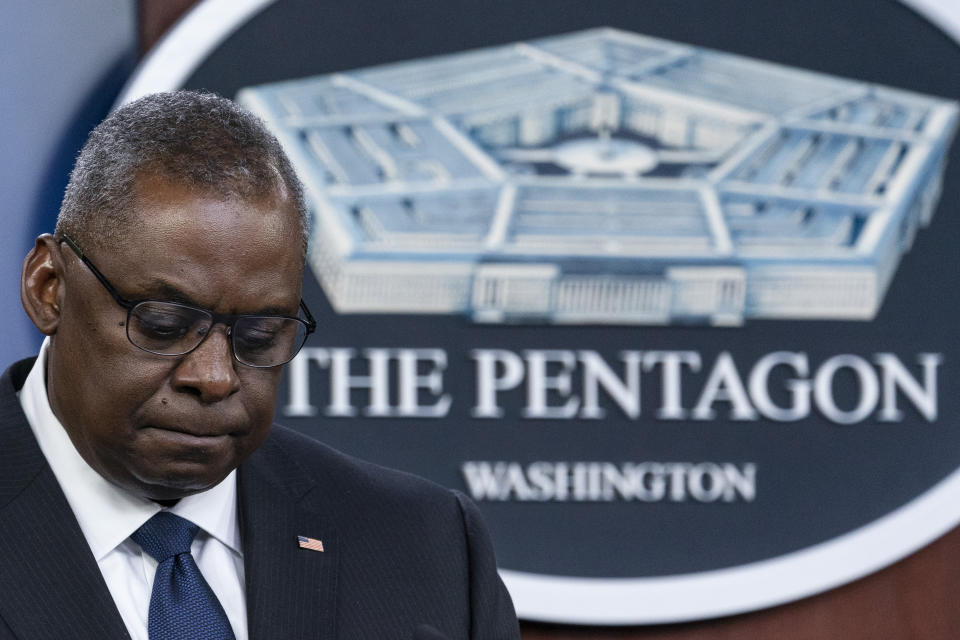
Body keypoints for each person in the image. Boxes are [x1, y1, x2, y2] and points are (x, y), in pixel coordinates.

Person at [1, 90, 520, 640]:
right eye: (163, 325)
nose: (215, 376)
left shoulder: (428, 548)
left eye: (258, 335)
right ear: (49, 289)